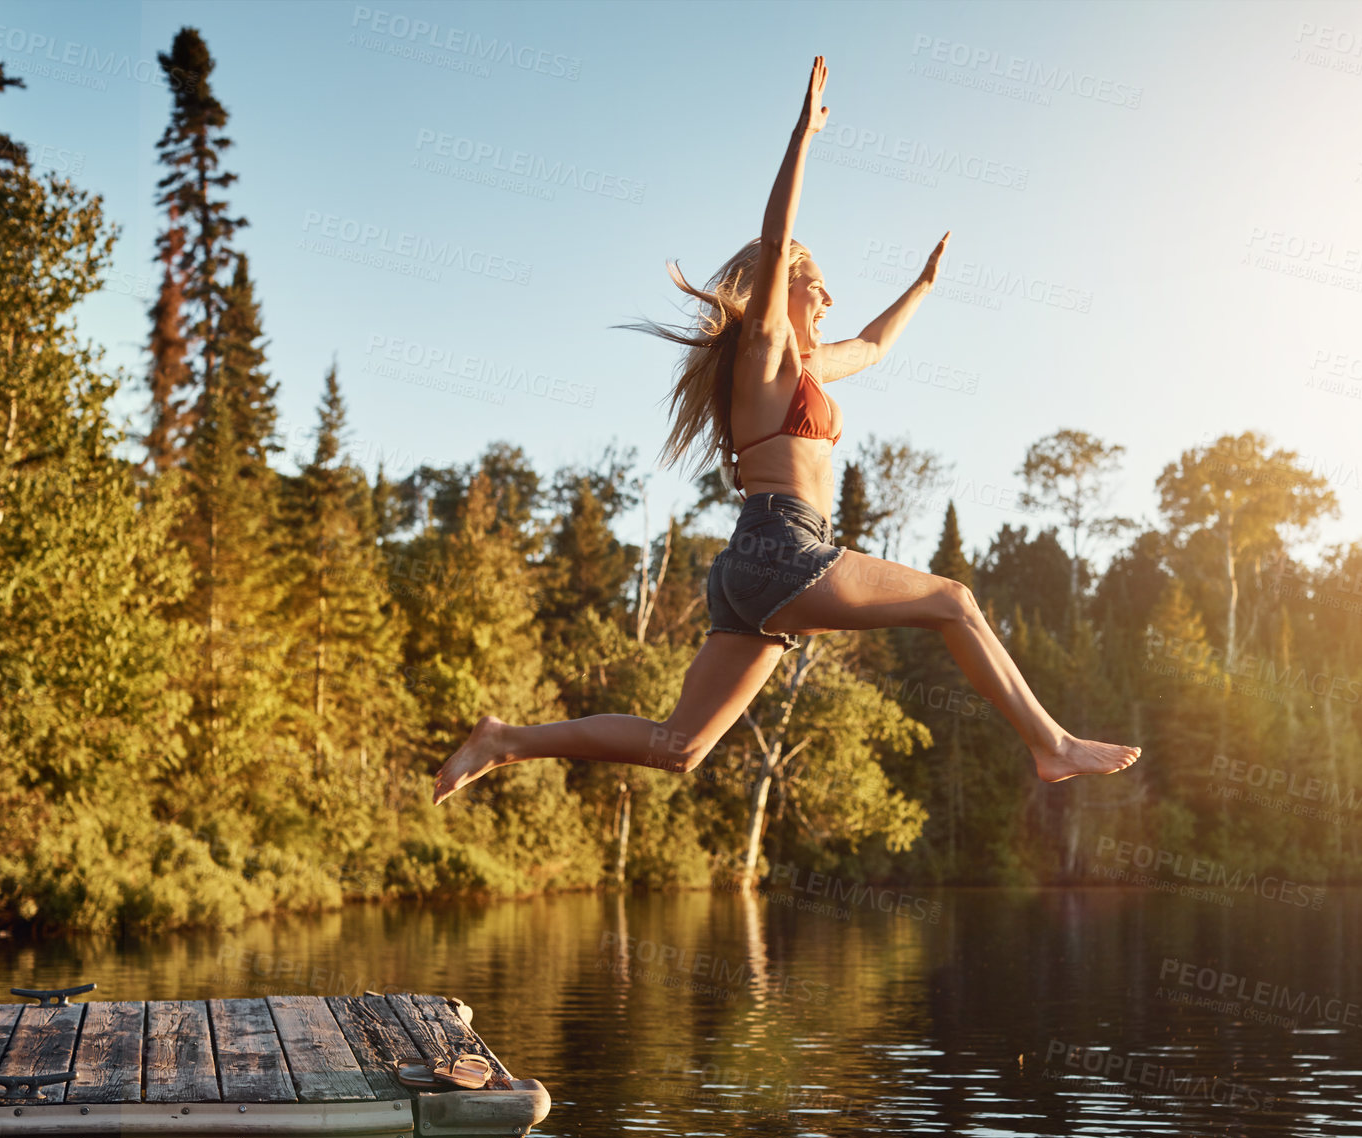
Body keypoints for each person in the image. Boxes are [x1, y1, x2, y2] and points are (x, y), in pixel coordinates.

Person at [433, 56, 1139, 805]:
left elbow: (869, 347)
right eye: (816, 283)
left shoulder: (800, 367)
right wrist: (804, 137)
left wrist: (924, 288)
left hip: (752, 564)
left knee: (680, 748)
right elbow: (776, 242)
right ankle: (1051, 744)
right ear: (783, 290)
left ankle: (506, 741)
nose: (828, 295)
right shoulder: (764, 349)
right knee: (954, 601)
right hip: (784, 547)